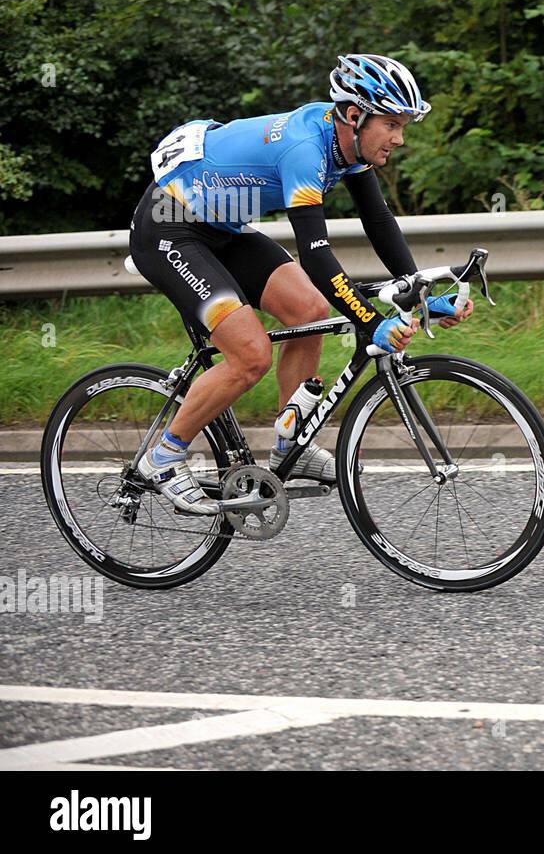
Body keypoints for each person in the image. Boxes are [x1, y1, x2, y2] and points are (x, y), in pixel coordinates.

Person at [129, 54, 472, 515]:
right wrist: (370, 321)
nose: (399, 138)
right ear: (355, 115)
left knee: (310, 312)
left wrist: (422, 293)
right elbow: (315, 253)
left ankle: (290, 446)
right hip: (169, 228)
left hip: (222, 228)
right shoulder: (305, 149)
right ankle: (165, 457)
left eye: (403, 125)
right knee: (250, 355)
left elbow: (378, 220)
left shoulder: (347, 145)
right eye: (391, 124)